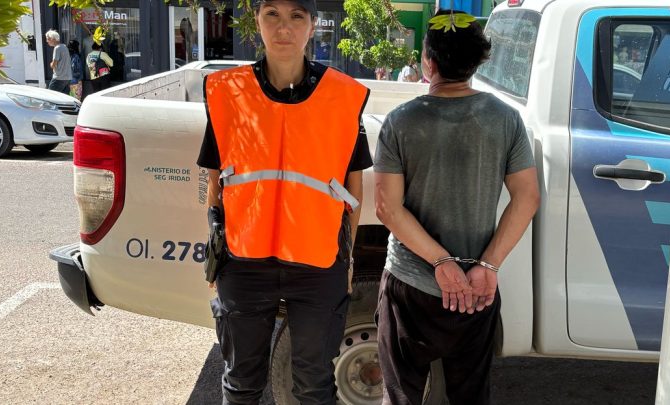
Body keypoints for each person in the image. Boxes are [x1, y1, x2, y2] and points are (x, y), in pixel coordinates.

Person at [197, 0, 372, 404]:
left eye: (296, 16)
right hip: (244, 261)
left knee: (313, 387)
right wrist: (216, 246)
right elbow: (215, 179)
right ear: (257, 21)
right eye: (272, 14)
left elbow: (353, 189)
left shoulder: (343, 96)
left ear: (313, 25)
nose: (283, 28)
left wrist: (345, 260)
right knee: (241, 384)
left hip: (318, 264)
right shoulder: (228, 92)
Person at [374, 9, 540, 405]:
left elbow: (387, 209)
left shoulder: (400, 122)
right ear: (478, 61)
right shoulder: (506, 120)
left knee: (401, 396)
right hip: (476, 289)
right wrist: (488, 265)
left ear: (428, 62)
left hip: (410, 286)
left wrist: (440, 262)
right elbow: (527, 197)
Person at [45, 30, 71, 95]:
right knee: (64, 98)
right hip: (67, 78)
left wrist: (51, 64)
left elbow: (54, 64)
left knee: (50, 96)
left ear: (53, 39)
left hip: (59, 78)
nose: (47, 41)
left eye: (48, 39)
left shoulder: (57, 48)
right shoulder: (64, 46)